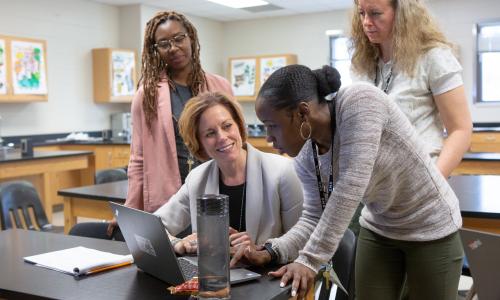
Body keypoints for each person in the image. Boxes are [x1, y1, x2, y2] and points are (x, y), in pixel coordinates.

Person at [233, 64, 463, 300]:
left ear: (302, 112)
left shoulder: (359, 102)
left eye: (272, 125)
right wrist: (272, 250)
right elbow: (315, 216)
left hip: (431, 225)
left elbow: (351, 185)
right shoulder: (306, 156)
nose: (268, 137)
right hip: (381, 228)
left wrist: (309, 261)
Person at [106, 11, 233, 237]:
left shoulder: (220, 86)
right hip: (171, 198)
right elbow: (138, 158)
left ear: (191, 38)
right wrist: (130, 210)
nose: (173, 48)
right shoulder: (147, 95)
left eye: (178, 39)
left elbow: (237, 144)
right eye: (163, 43)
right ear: (156, 50)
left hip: (216, 189)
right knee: (178, 260)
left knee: (218, 258)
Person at [153, 92, 303, 255]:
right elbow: (153, 227)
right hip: (212, 275)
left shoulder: (283, 171)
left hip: (268, 276)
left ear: (239, 126)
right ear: (199, 143)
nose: (222, 137)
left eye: (227, 126)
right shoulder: (197, 178)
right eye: (210, 133)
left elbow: (302, 240)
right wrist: (178, 244)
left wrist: (263, 251)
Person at [350, 0, 472, 177]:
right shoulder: (362, 62)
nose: (366, 22)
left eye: (375, 13)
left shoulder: (433, 56)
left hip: (421, 181)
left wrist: (434, 183)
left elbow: (461, 130)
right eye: (362, 13)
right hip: (378, 187)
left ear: (401, 14)